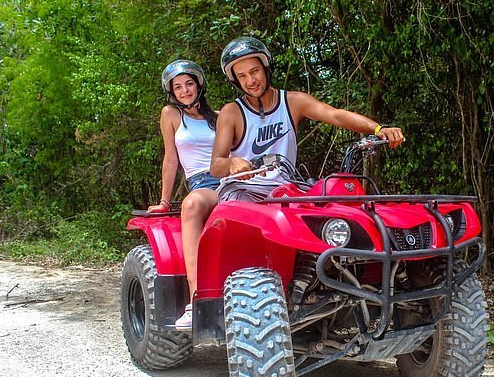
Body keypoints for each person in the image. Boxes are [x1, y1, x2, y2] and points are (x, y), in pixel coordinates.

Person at [210, 36, 405, 200]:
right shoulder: (232, 112)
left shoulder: (293, 102)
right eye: (242, 76)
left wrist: (379, 129)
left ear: (266, 68)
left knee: (328, 211)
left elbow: (335, 115)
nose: (251, 81)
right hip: (242, 190)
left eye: (254, 71)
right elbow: (216, 166)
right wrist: (231, 163)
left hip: (284, 191)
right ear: (235, 81)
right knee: (247, 219)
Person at [147, 59, 220, 332]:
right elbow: (170, 160)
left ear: (199, 85)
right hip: (203, 183)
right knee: (191, 206)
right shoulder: (171, 114)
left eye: (189, 84)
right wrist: (165, 200)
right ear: (172, 92)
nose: (185, 90)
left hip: (232, 180)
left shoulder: (221, 115)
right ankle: (195, 301)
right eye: (178, 87)